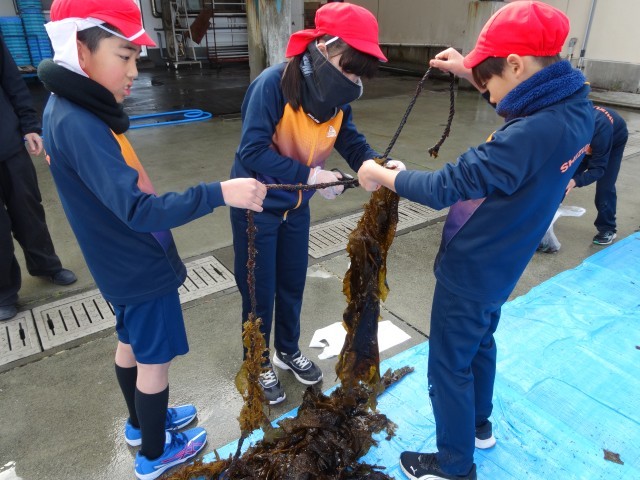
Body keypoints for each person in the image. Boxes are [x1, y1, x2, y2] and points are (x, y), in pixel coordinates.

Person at [357, 2, 594, 479]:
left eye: (490, 81)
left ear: (516, 64)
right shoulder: (576, 107)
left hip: (471, 268)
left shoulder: (528, 134)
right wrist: (470, 69)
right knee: (481, 343)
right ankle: (479, 427)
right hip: (506, 263)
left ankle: (454, 465)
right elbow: (520, 99)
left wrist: (380, 175)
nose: (490, 96)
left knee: (448, 367)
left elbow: (444, 186)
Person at [40, 1, 266, 479]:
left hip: (114, 263)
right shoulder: (81, 123)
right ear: (81, 49)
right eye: (124, 56)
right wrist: (219, 192)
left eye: (136, 58)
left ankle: (141, 423)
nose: (133, 71)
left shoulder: (64, 108)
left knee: (130, 343)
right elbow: (139, 210)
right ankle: (154, 454)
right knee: (154, 362)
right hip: (138, 265)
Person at [229, 2, 402, 405]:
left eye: (358, 75)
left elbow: (351, 142)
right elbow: (252, 151)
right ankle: (257, 360)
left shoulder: (336, 101)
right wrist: (310, 176)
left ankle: (287, 350)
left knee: (292, 283)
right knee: (258, 291)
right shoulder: (272, 86)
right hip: (256, 208)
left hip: (296, 209)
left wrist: (378, 165)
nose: (352, 81)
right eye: (348, 68)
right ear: (323, 49)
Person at [0, 33, 77, 322]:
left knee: (28, 210)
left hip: (8, 143)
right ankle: (4, 292)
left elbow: (11, 80)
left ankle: (46, 265)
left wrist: (29, 126)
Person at [566, 105, 628, 245]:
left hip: (614, 141)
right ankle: (546, 216)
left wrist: (575, 181)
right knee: (562, 179)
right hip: (589, 138)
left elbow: (599, 169)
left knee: (605, 188)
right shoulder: (569, 124)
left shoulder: (601, 132)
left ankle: (608, 228)